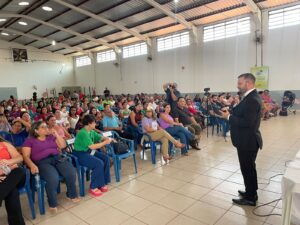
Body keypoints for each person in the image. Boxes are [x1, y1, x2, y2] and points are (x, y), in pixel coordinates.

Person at [220, 73, 263, 206]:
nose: (237, 85)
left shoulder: (252, 99)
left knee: (248, 168)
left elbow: (247, 122)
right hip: (246, 140)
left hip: (247, 141)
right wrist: (231, 111)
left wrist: (228, 117)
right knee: (248, 168)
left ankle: (250, 198)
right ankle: (251, 192)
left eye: (240, 83)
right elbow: (242, 113)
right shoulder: (249, 97)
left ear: (248, 83)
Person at [22, 121, 80, 213]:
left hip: (57, 158)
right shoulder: (29, 140)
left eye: (46, 127)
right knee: (53, 178)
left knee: (71, 172)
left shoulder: (51, 137)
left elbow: (63, 145)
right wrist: (32, 165)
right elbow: (25, 156)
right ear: (36, 130)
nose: (46, 128)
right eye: (43, 127)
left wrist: (56, 134)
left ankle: (71, 194)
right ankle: (52, 203)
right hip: (42, 162)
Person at [73, 115, 112, 197]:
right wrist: (105, 143)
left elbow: (99, 137)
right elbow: (92, 146)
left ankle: (102, 182)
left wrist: (106, 139)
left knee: (105, 158)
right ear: (89, 123)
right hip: (80, 154)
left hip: (88, 152)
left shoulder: (91, 131)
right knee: (98, 163)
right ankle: (93, 186)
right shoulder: (83, 133)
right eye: (94, 122)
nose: (96, 124)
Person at [0, 136, 26, 225]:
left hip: (14, 174)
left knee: (19, 171)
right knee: (12, 192)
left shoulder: (4, 144)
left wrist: (9, 162)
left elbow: (20, 158)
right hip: (2, 180)